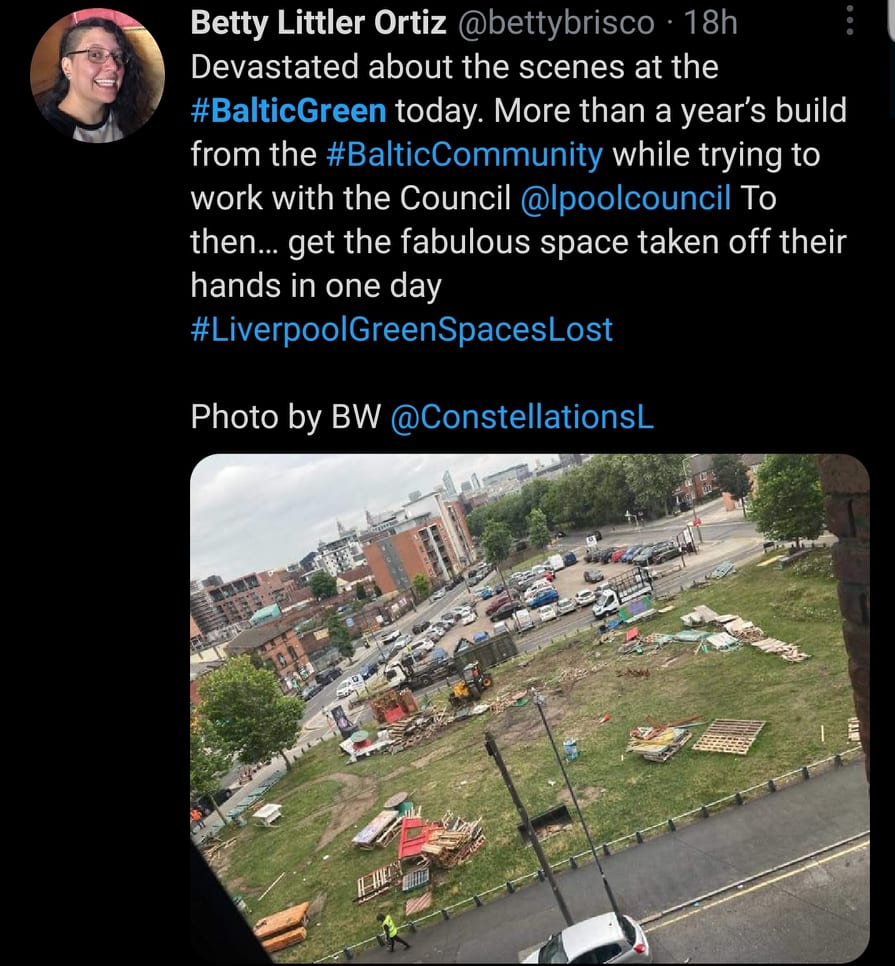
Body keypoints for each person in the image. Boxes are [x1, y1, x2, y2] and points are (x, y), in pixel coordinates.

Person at [40, 16, 151, 141]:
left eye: (118, 56)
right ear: (67, 67)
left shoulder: (123, 116)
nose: (114, 66)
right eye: (95, 55)